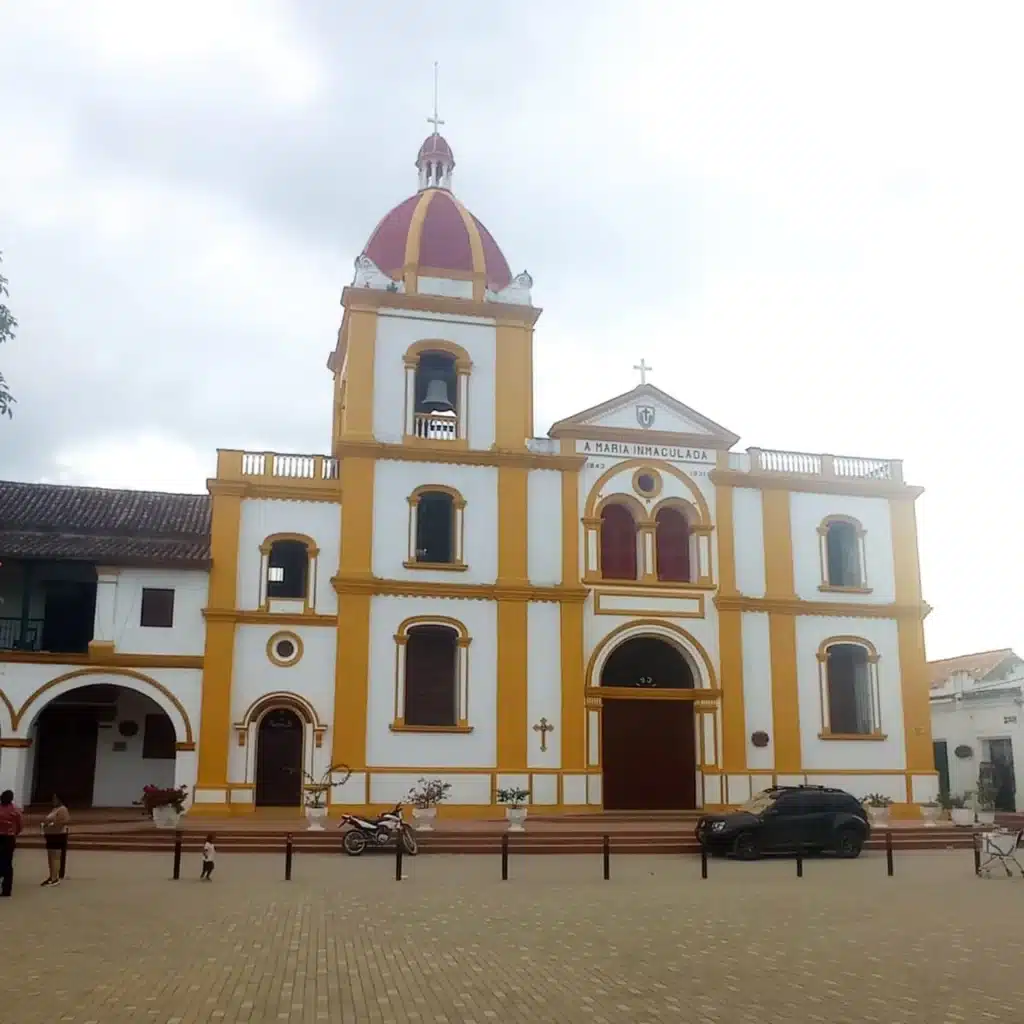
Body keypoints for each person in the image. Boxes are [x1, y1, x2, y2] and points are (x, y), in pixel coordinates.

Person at [40, 794, 69, 887]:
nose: (53, 800)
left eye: (55, 798)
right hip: (50, 835)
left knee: (55, 857)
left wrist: (51, 824)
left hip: (58, 835)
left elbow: (64, 821)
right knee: (50, 857)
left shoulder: (63, 809)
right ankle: (51, 876)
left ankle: (55, 878)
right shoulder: (54, 809)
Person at [0, 789, 23, 897]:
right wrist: (15, 833)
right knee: (8, 863)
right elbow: (20, 826)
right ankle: (6, 890)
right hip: (9, 838)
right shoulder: (16, 810)